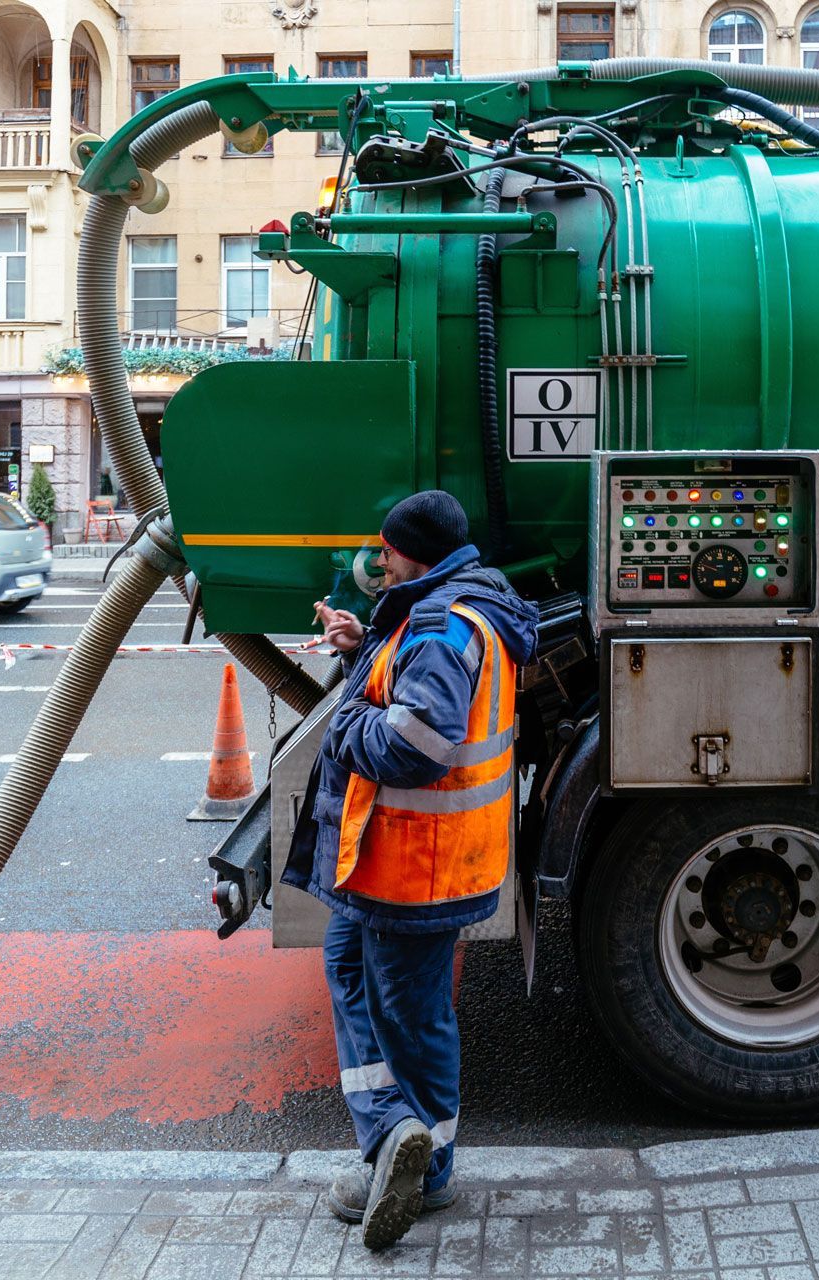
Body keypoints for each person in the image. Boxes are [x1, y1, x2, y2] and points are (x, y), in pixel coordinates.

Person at [282, 490, 539, 1251]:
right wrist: (366, 646)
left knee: (413, 1017)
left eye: (388, 548)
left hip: (415, 870)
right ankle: (394, 1134)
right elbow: (412, 686)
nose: (378, 557)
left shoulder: (438, 626)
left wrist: (350, 716)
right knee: (351, 972)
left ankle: (427, 1170)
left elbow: (416, 742)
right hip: (393, 864)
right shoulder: (447, 608)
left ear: (414, 552)